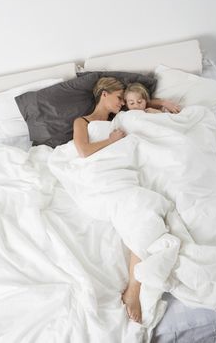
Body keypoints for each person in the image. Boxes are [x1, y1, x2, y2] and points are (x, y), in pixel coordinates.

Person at [73, 77, 143, 323]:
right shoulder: (82, 121)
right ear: (104, 94)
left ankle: (134, 288)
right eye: (119, 97)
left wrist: (160, 100)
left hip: (122, 170)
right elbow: (83, 151)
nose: (123, 103)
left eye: (125, 99)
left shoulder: (121, 120)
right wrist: (111, 141)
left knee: (141, 212)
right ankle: (133, 289)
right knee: (133, 211)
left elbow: (141, 103)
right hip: (97, 174)